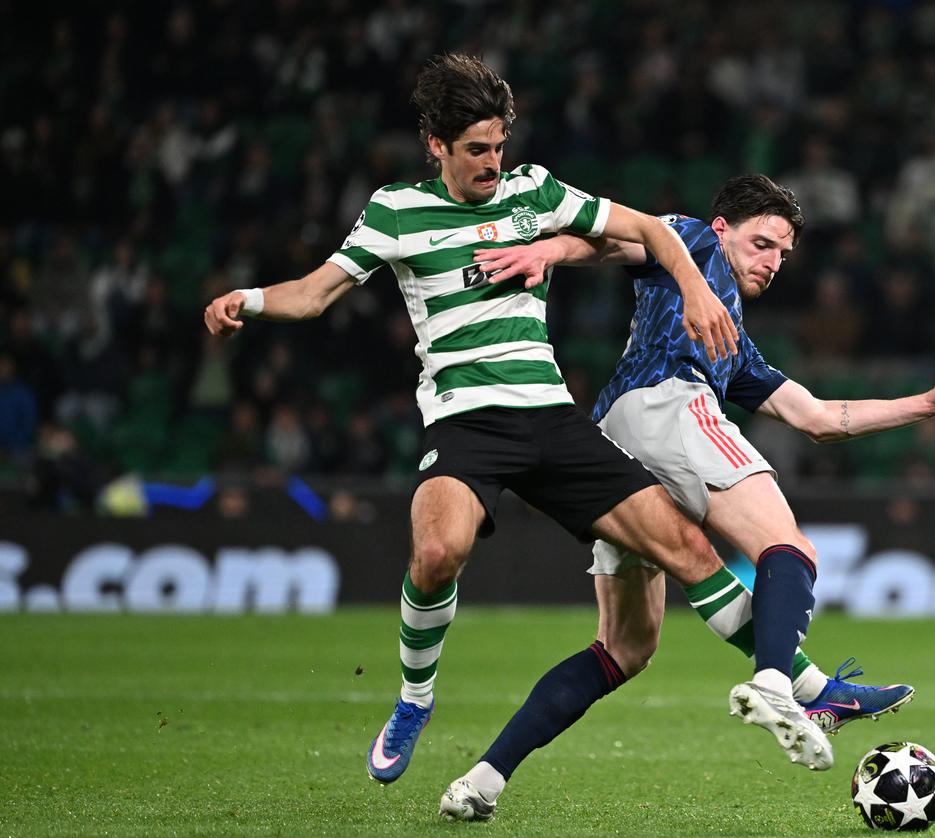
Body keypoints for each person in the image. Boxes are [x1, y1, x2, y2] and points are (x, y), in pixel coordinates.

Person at [202, 55, 830, 797]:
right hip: (467, 423)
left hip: (553, 419)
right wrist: (246, 298)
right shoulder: (395, 211)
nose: (492, 163)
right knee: (438, 552)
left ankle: (802, 687)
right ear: (435, 145)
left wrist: (695, 289)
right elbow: (312, 295)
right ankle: (413, 698)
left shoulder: (535, 190)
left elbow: (652, 232)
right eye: (476, 149)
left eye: (499, 145)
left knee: (689, 546)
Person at [440, 174, 935, 820]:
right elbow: (614, 242)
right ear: (727, 228)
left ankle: (481, 780)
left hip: (615, 436)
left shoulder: (731, 341)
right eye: (762, 243)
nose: (771, 262)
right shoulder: (696, 240)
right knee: (786, 544)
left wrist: (923, 406)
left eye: (783, 255)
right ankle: (780, 683)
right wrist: (550, 250)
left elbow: (818, 416)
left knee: (624, 647)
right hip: (668, 404)